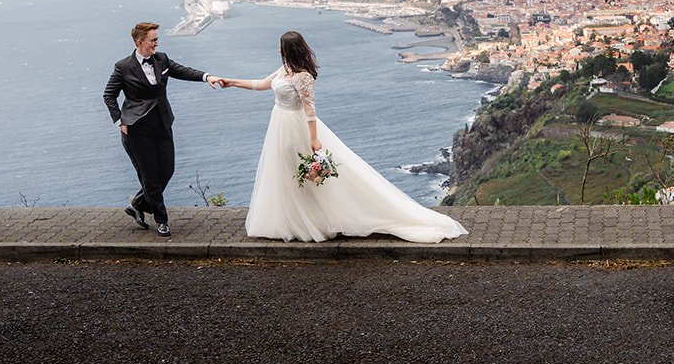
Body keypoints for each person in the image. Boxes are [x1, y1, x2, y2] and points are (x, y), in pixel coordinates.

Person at [217, 30, 469, 243]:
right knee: (284, 171)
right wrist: (232, 82)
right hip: (278, 125)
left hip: (295, 126)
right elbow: (262, 84)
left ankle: (311, 220)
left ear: (288, 50)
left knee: (303, 173)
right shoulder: (284, 71)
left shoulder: (303, 76)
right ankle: (292, 219)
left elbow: (309, 110)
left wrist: (314, 140)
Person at [102, 21, 223, 237]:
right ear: (140, 42)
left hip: (162, 124)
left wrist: (206, 77)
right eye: (153, 40)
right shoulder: (123, 67)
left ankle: (138, 204)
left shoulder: (162, 59)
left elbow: (181, 71)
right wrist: (120, 120)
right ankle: (162, 220)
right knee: (150, 177)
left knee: (167, 170)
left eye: (157, 39)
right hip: (137, 130)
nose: (157, 43)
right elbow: (109, 95)